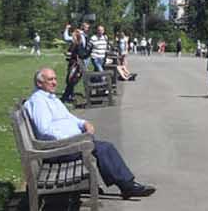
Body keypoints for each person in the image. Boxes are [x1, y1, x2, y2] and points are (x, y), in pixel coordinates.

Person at [25, 67, 155, 198]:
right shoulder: (39, 102)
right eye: (50, 80)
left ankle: (124, 184)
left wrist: (83, 123)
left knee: (102, 147)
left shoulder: (51, 98)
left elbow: (69, 118)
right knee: (103, 148)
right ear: (39, 83)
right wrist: (74, 139)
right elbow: (44, 130)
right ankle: (127, 186)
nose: (54, 82)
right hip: (57, 150)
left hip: (69, 144)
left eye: (55, 79)